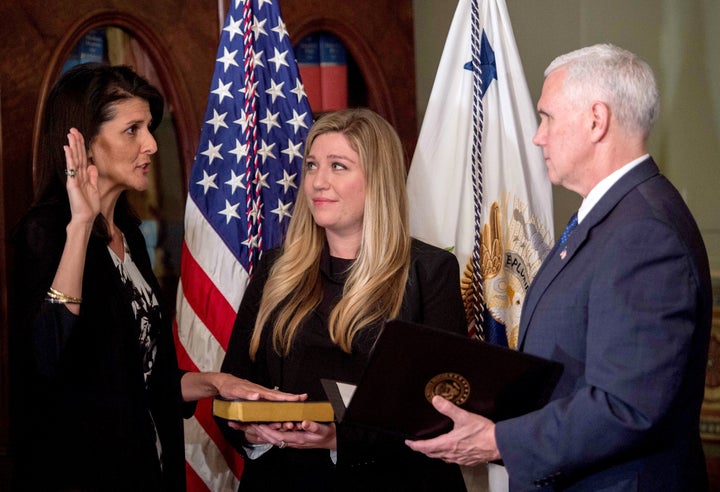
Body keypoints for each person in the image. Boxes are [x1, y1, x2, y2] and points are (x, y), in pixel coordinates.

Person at [406, 43, 713, 491]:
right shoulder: (612, 214)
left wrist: (497, 441)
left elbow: (626, 406)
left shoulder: (644, 232)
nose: (538, 136)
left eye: (547, 117)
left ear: (596, 120)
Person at [9, 63, 303, 491]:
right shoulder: (46, 232)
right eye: (132, 130)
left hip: (151, 468)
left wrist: (216, 383)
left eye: (149, 128)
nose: (150, 144)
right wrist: (80, 227)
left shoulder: (130, 236)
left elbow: (148, 378)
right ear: (84, 142)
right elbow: (48, 357)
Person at [217, 108, 468, 491]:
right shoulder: (275, 269)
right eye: (313, 165)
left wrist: (339, 438)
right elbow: (235, 383)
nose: (318, 182)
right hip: (284, 479)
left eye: (338, 166)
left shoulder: (429, 271)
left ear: (377, 179)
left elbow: (442, 410)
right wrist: (249, 431)